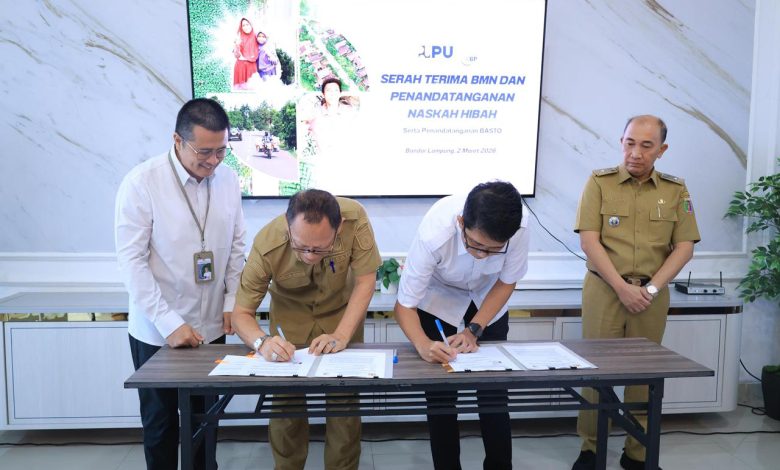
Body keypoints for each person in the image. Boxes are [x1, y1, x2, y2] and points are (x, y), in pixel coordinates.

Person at [115, 98, 246, 469]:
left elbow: (237, 245)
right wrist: (169, 323)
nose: (213, 161)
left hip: (210, 327)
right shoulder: (142, 183)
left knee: (206, 421)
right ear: (177, 140)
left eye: (221, 151)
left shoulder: (228, 179)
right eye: (204, 152)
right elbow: (131, 262)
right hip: (157, 330)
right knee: (161, 426)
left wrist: (231, 301)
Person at [571, 115, 700, 470]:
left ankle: (637, 453)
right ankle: (590, 448)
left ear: (662, 150)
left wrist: (651, 289)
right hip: (604, 289)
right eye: (630, 143)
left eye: (646, 145)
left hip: (651, 295)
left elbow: (685, 246)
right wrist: (621, 288)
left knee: (644, 374)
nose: (636, 153)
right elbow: (589, 241)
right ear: (621, 142)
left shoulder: (676, 190)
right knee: (595, 371)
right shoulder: (599, 182)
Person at [231, 189, 381, 470]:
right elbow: (241, 314)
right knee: (286, 407)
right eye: (301, 247)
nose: (310, 256)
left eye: (320, 248)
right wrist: (263, 343)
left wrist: (342, 335)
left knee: (344, 404)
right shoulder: (267, 243)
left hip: (341, 319)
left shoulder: (355, 218)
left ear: (339, 228)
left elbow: (365, 280)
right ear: (288, 227)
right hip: (289, 324)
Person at [394, 181, 530, 470]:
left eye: (494, 249)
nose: (482, 254)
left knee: (494, 393)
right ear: (460, 223)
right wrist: (423, 345)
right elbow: (404, 305)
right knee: (441, 397)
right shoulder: (435, 233)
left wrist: (474, 329)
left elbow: (507, 281)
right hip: (439, 297)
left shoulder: (518, 226)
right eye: (476, 245)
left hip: (488, 296)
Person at [233, 18, 259, 90]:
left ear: (251, 25)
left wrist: (271, 55)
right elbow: (237, 56)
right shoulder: (239, 37)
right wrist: (237, 45)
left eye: (247, 24)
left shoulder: (257, 36)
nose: (245, 27)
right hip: (240, 68)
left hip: (251, 67)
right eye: (243, 25)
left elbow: (264, 45)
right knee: (241, 92)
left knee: (253, 90)